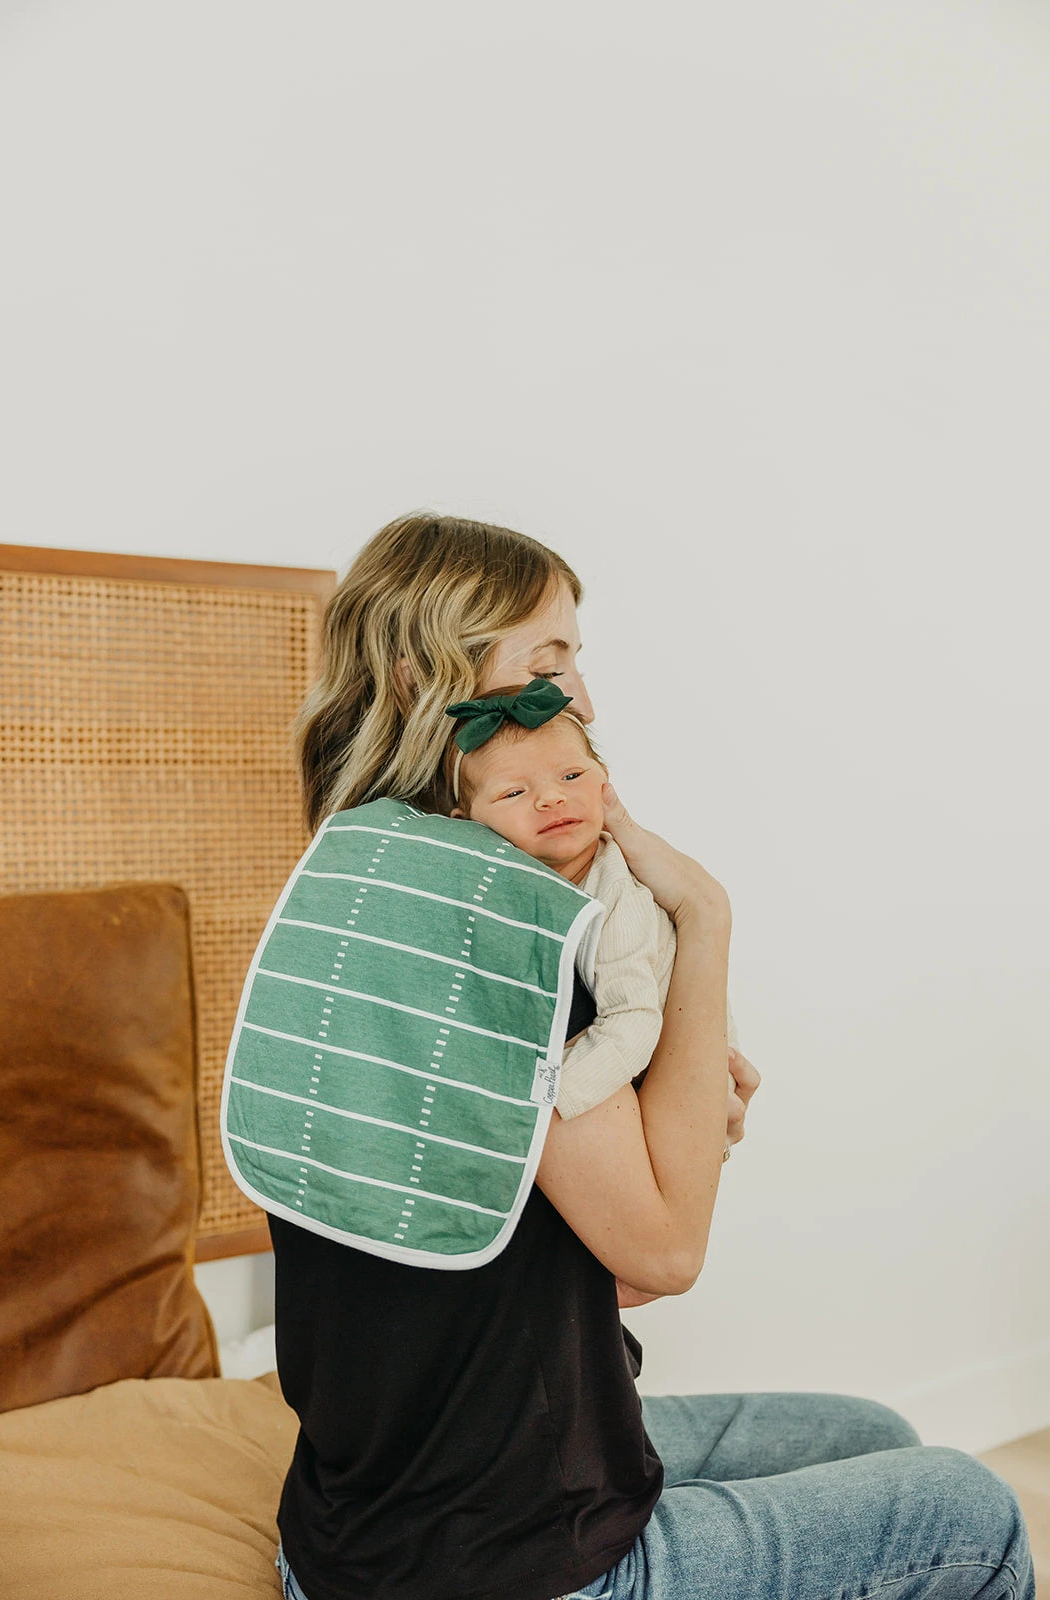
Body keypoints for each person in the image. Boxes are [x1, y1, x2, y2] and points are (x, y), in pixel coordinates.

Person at [273, 511, 1033, 1600]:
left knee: (869, 1430)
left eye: (574, 660)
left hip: (355, 1529)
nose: (580, 699)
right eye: (546, 664)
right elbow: (661, 1258)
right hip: (494, 1564)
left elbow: (584, 1267)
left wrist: (668, 1102)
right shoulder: (498, 929)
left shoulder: (360, 885)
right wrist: (704, 916)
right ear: (419, 676)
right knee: (971, 1513)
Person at [442, 675, 741, 1121]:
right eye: (514, 792)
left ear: (605, 783)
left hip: (678, 1078)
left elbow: (633, 1021)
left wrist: (538, 1105)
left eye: (572, 775)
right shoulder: (512, 892)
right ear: (465, 827)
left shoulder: (615, 894)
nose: (552, 797)